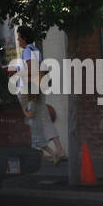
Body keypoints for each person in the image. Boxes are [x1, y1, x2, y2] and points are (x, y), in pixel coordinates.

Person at [8, 25, 66, 165]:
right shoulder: (36, 50)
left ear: (24, 38)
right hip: (37, 89)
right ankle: (58, 150)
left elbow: (31, 70)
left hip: (27, 90)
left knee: (23, 117)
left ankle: (24, 150)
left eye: (19, 37)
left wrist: (15, 73)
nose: (17, 39)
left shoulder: (27, 52)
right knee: (43, 119)